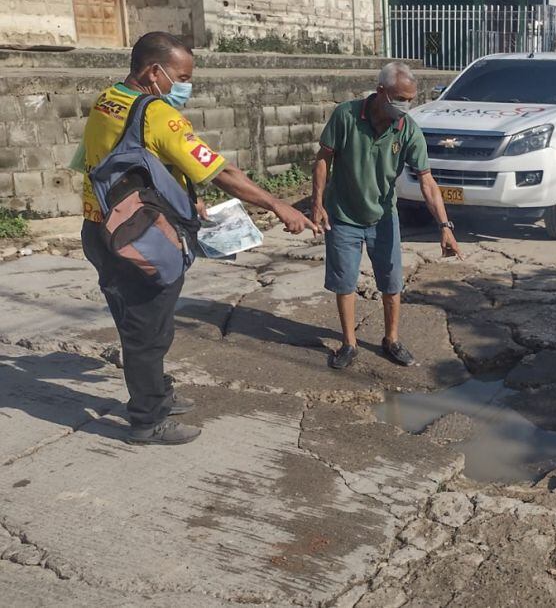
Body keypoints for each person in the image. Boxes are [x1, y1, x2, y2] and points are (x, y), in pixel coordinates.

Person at [75, 32, 318, 445]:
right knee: (148, 332)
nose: (186, 86)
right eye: (182, 77)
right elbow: (221, 171)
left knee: (137, 324)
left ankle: (158, 393)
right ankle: (148, 420)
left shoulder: (109, 99)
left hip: (100, 228)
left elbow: (113, 162)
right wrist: (279, 205)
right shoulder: (158, 114)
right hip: (138, 237)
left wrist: (183, 196)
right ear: (154, 72)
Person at [312, 62, 462, 371]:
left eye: (411, 99)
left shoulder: (407, 129)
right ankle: (349, 344)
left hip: (383, 217)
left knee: (392, 283)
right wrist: (317, 204)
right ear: (381, 92)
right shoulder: (347, 115)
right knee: (345, 284)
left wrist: (445, 226)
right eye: (401, 98)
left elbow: (427, 181)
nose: (406, 106)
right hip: (343, 215)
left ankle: (391, 340)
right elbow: (323, 160)